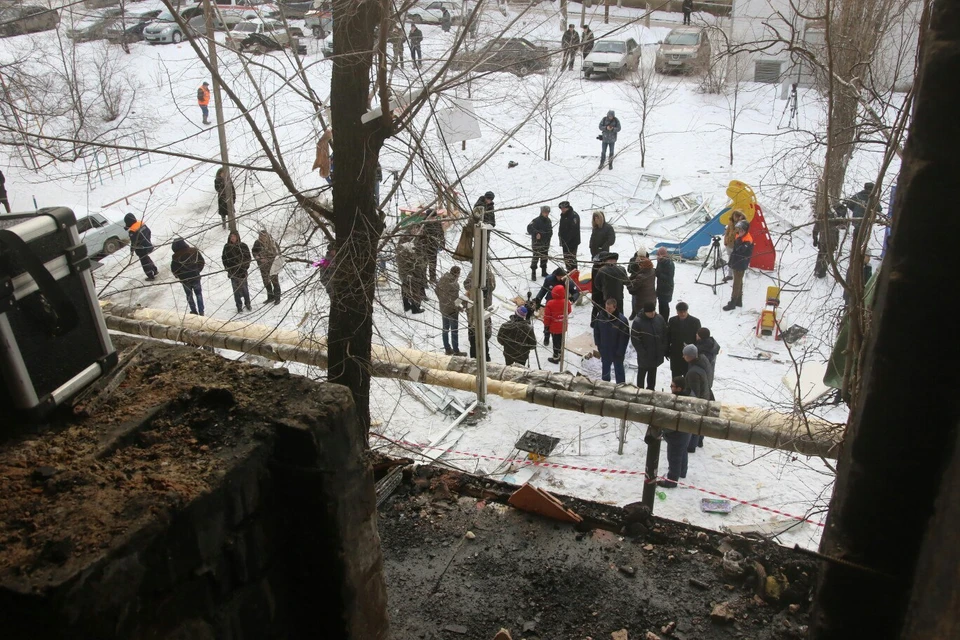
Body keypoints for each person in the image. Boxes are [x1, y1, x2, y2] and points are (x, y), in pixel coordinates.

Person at [658, 375, 694, 488]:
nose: (670, 388)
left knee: (674, 457)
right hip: (686, 432)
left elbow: (674, 422)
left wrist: (663, 429)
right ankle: (682, 472)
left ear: (679, 388)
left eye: (672, 386)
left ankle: (671, 481)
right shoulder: (690, 395)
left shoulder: (679, 403)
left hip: (677, 435)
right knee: (682, 452)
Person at [683, 343, 713, 452]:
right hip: (706, 395)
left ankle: (691, 446)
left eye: (684, 355)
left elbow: (695, 392)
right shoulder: (702, 361)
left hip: (699, 400)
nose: (683, 357)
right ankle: (699, 441)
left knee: (695, 423)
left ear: (689, 356)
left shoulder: (693, 373)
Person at [631, 301, 667, 390]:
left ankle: (651, 389)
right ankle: (640, 390)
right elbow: (635, 340)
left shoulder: (659, 318)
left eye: (653, 311)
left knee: (652, 373)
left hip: (656, 353)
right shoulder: (638, 322)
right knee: (642, 373)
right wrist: (642, 352)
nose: (652, 313)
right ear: (645, 312)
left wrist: (663, 347)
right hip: (645, 354)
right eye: (650, 312)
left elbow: (664, 333)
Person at [592, 251, 627, 337]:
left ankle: (609, 331)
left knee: (608, 314)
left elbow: (597, 284)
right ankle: (620, 330)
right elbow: (626, 281)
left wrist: (603, 289)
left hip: (607, 297)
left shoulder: (602, 270)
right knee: (619, 313)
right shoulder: (621, 269)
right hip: (619, 296)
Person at [596, 298, 630, 383]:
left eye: (610, 308)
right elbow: (596, 332)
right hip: (605, 349)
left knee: (619, 370)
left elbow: (625, 338)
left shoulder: (621, 320)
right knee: (605, 370)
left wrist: (620, 351)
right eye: (606, 307)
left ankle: (621, 386)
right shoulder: (600, 316)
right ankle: (605, 385)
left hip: (617, 351)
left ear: (615, 308)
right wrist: (598, 345)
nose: (607, 310)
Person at [723, 220, 753, 311]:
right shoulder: (740, 236)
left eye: (741, 230)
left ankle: (733, 302)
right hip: (737, 261)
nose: (739, 231)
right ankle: (738, 301)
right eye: (739, 229)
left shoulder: (747, 240)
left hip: (741, 263)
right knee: (738, 282)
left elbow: (740, 250)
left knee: (736, 283)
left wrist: (739, 239)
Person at [170, 238, 205, 316]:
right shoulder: (194, 251)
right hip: (195, 277)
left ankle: (193, 311)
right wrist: (197, 270)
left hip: (185, 280)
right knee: (198, 294)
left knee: (189, 296)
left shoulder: (176, 257)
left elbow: (174, 269)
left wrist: (179, 276)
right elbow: (201, 261)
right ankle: (201, 311)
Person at [666, 302, 701, 378]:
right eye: (680, 312)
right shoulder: (672, 320)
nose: (682, 314)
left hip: (689, 354)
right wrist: (667, 350)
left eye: (684, 312)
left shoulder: (695, 322)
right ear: (677, 311)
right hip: (676, 353)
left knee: (688, 375)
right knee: (675, 375)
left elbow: (698, 339)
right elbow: (668, 336)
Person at [436, 265, 464, 355]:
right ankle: (456, 350)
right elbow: (455, 300)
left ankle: (447, 349)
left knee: (445, 329)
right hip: (452, 311)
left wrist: (441, 300)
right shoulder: (454, 285)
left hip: (443, 308)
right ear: (457, 274)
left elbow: (436, 290)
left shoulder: (442, 279)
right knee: (454, 331)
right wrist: (460, 307)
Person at [222, 231, 252, 313]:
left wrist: (245, 266)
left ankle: (248, 303)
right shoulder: (227, 247)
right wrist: (228, 268)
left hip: (242, 272)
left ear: (237, 237)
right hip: (233, 272)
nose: (232, 238)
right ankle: (239, 306)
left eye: (234, 236)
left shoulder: (243, 246)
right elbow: (224, 259)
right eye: (231, 236)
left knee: (245, 289)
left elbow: (248, 257)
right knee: (236, 291)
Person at [123, 213, 158, 280]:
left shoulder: (132, 231)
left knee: (144, 262)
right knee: (147, 258)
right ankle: (154, 270)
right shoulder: (141, 223)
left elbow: (134, 242)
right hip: (148, 245)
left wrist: (132, 250)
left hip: (141, 249)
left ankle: (150, 275)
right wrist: (148, 240)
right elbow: (149, 232)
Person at [813, 203, 844, 279]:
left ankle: (818, 271)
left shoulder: (822, 216)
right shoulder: (834, 216)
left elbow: (815, 228)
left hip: (823, 240)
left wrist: (815, 239)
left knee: (821, 255)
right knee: (828, 256)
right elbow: (842, 224)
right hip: (832, 241)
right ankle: (821, 271)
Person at [543, 284, 572, 364]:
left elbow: (547, 317)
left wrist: (546, 325)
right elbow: (569, 311)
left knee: (555, 342)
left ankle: (556, 357)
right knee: (560, 340)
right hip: (563, 325)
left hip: (554, 327)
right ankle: (560, 353)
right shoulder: (567, 302)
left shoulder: (550, 303)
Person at [397, 240, 426, 314]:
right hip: (412, 277)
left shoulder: (400, 255)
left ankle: (406, 306)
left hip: (403, 275)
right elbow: (418, 266)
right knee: (415, 291)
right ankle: (415, 308)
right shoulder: (410, 257)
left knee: (404, 290)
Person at [252, 229, 281, 304]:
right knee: (266, 281)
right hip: (263, 266)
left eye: (263, 235)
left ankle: (277, 298)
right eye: (260, 235)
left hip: (273, 265)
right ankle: (270, 297)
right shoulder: (257, 243)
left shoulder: (272, 242)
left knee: (275, 281)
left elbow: (279, 253)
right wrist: (258, 258)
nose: (261, 237)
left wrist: (276, 262)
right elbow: (254, 252)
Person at [418, 208, 445, 283]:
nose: (433, 219)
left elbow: (441, 233)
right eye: (432, 217)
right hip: (424, 245)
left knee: (433, 263)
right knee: (424, 263)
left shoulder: (437, 223)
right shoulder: (423, 223)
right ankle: (424, 279)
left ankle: (432, 278)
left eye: (434, 217)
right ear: (428, 216)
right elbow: (418, 235)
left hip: (433, 245)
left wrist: (442, 243)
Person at [627, 255, 656, 320]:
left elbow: (632, 289)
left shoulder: (641, 277)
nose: (639, 266)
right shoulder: (653, 271)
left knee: (642, 319)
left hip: (642, 302)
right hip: (652, 299)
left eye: (640, 265)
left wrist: (628, 284)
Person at [527, 205, 553, 280]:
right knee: (535, 257)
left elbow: (550, 231)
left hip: (546, 243)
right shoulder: (536, 220)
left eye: (547, 212)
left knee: (544, 257)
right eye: (545, 212)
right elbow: (529, 228)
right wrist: (536, 233)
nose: (546, 214)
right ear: (541, 212)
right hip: (537, 243)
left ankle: (544, 271)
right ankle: (533, 272)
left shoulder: (549, 221)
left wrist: (548, 235)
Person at [722, 209, 746, 281]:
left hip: (736, 245)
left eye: (737, 216)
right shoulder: (731, 222)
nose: (735, 218)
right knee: (730, 259)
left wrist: (740, 222)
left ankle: (737, 276)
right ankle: (730, 275)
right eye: (734, 216)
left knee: (736, 260)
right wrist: (725, 241)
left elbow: (738, 233)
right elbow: (727, 232)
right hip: (729, 243)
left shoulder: (742, 224)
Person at [557, 200, 580, 271]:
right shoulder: (563, 215)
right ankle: (569, 270)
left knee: (572, 258)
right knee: (566, 258)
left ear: (568, 208)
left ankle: (574, 272)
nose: (562, 210)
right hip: (564, 241)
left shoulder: (574, 215)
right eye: (561, 209)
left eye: (564, 208)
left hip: (572, 242)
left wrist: (567, 239)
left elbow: (573, 230)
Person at [655, 247, 675, 321]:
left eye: (659, 255)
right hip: (660, 286)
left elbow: (669, 277)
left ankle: (665, 320)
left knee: (665, 305)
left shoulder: (669, 263)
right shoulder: (660, 261)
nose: (657, 257)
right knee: (661, 304)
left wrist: (659, 274)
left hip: (667, 287)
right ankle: (661, 319)